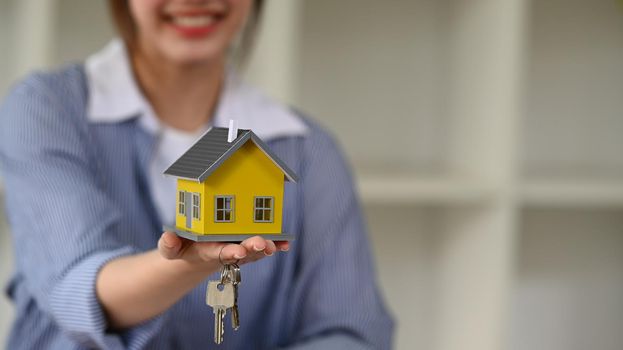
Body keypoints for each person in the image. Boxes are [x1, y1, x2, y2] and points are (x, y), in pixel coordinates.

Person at [0, 0, 393, 349]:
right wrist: (191, 261)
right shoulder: (45, 110)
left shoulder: (309, 151)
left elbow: (352, 331)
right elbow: (76, 291)